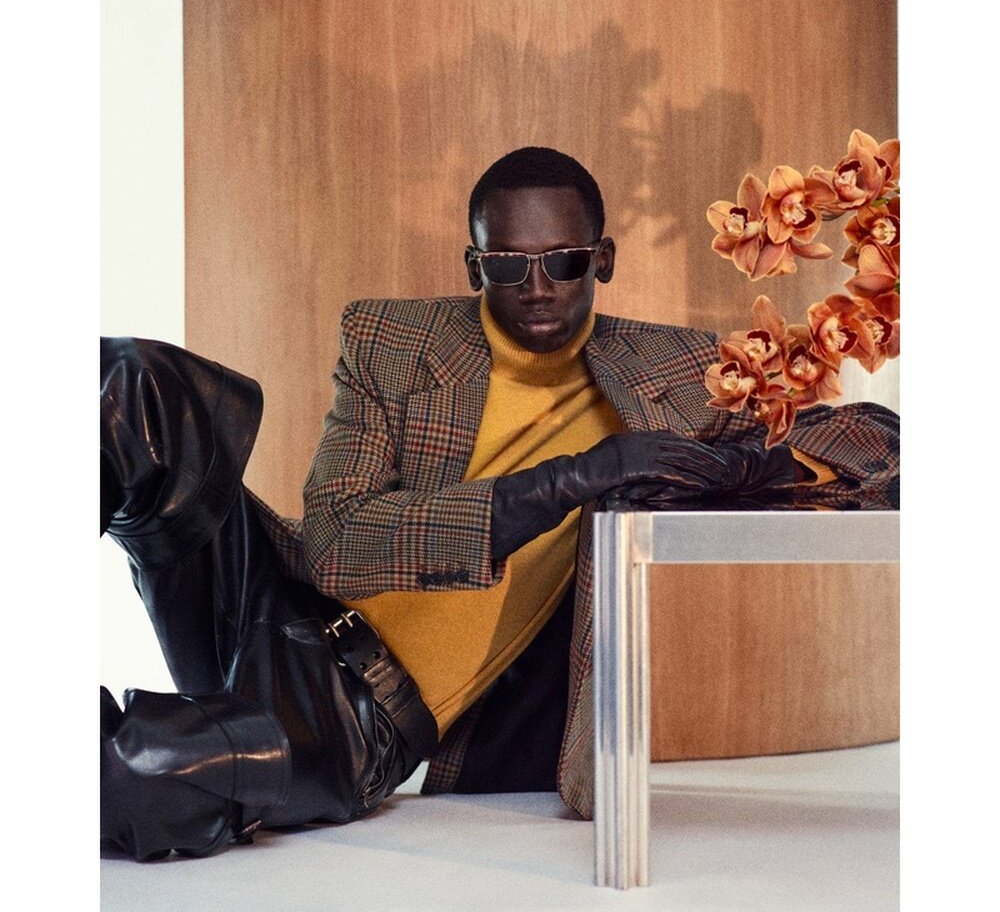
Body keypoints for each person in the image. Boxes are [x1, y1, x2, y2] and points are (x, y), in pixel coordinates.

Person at [101, 147, 899, 859]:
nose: (538, 287)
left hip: (352, 724)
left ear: (604, 260)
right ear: (474, 265)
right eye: (509, 266)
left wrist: (732, 468)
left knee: (143, 768)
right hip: (273, 603)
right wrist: (570, 478)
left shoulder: (678, 374)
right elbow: (336, 544)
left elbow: (880, 447)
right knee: (131, 385)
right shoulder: (394, 342)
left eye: (565, 262)